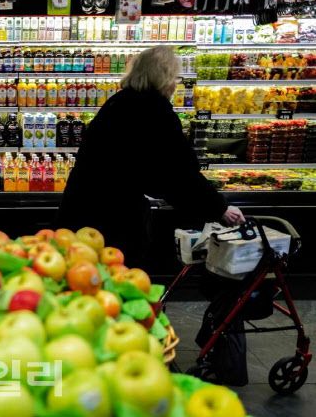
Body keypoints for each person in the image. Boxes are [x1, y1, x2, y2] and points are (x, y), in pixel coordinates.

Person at [56, 46, 244, 266]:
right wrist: (219, 208)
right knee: (115, 278)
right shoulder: (155, 110)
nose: (175, 84)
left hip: (80, 208)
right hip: (113, 219)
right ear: (164, 78)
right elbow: (178, 174)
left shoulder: (118, 102)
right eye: (175, 77)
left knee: (78, 274)